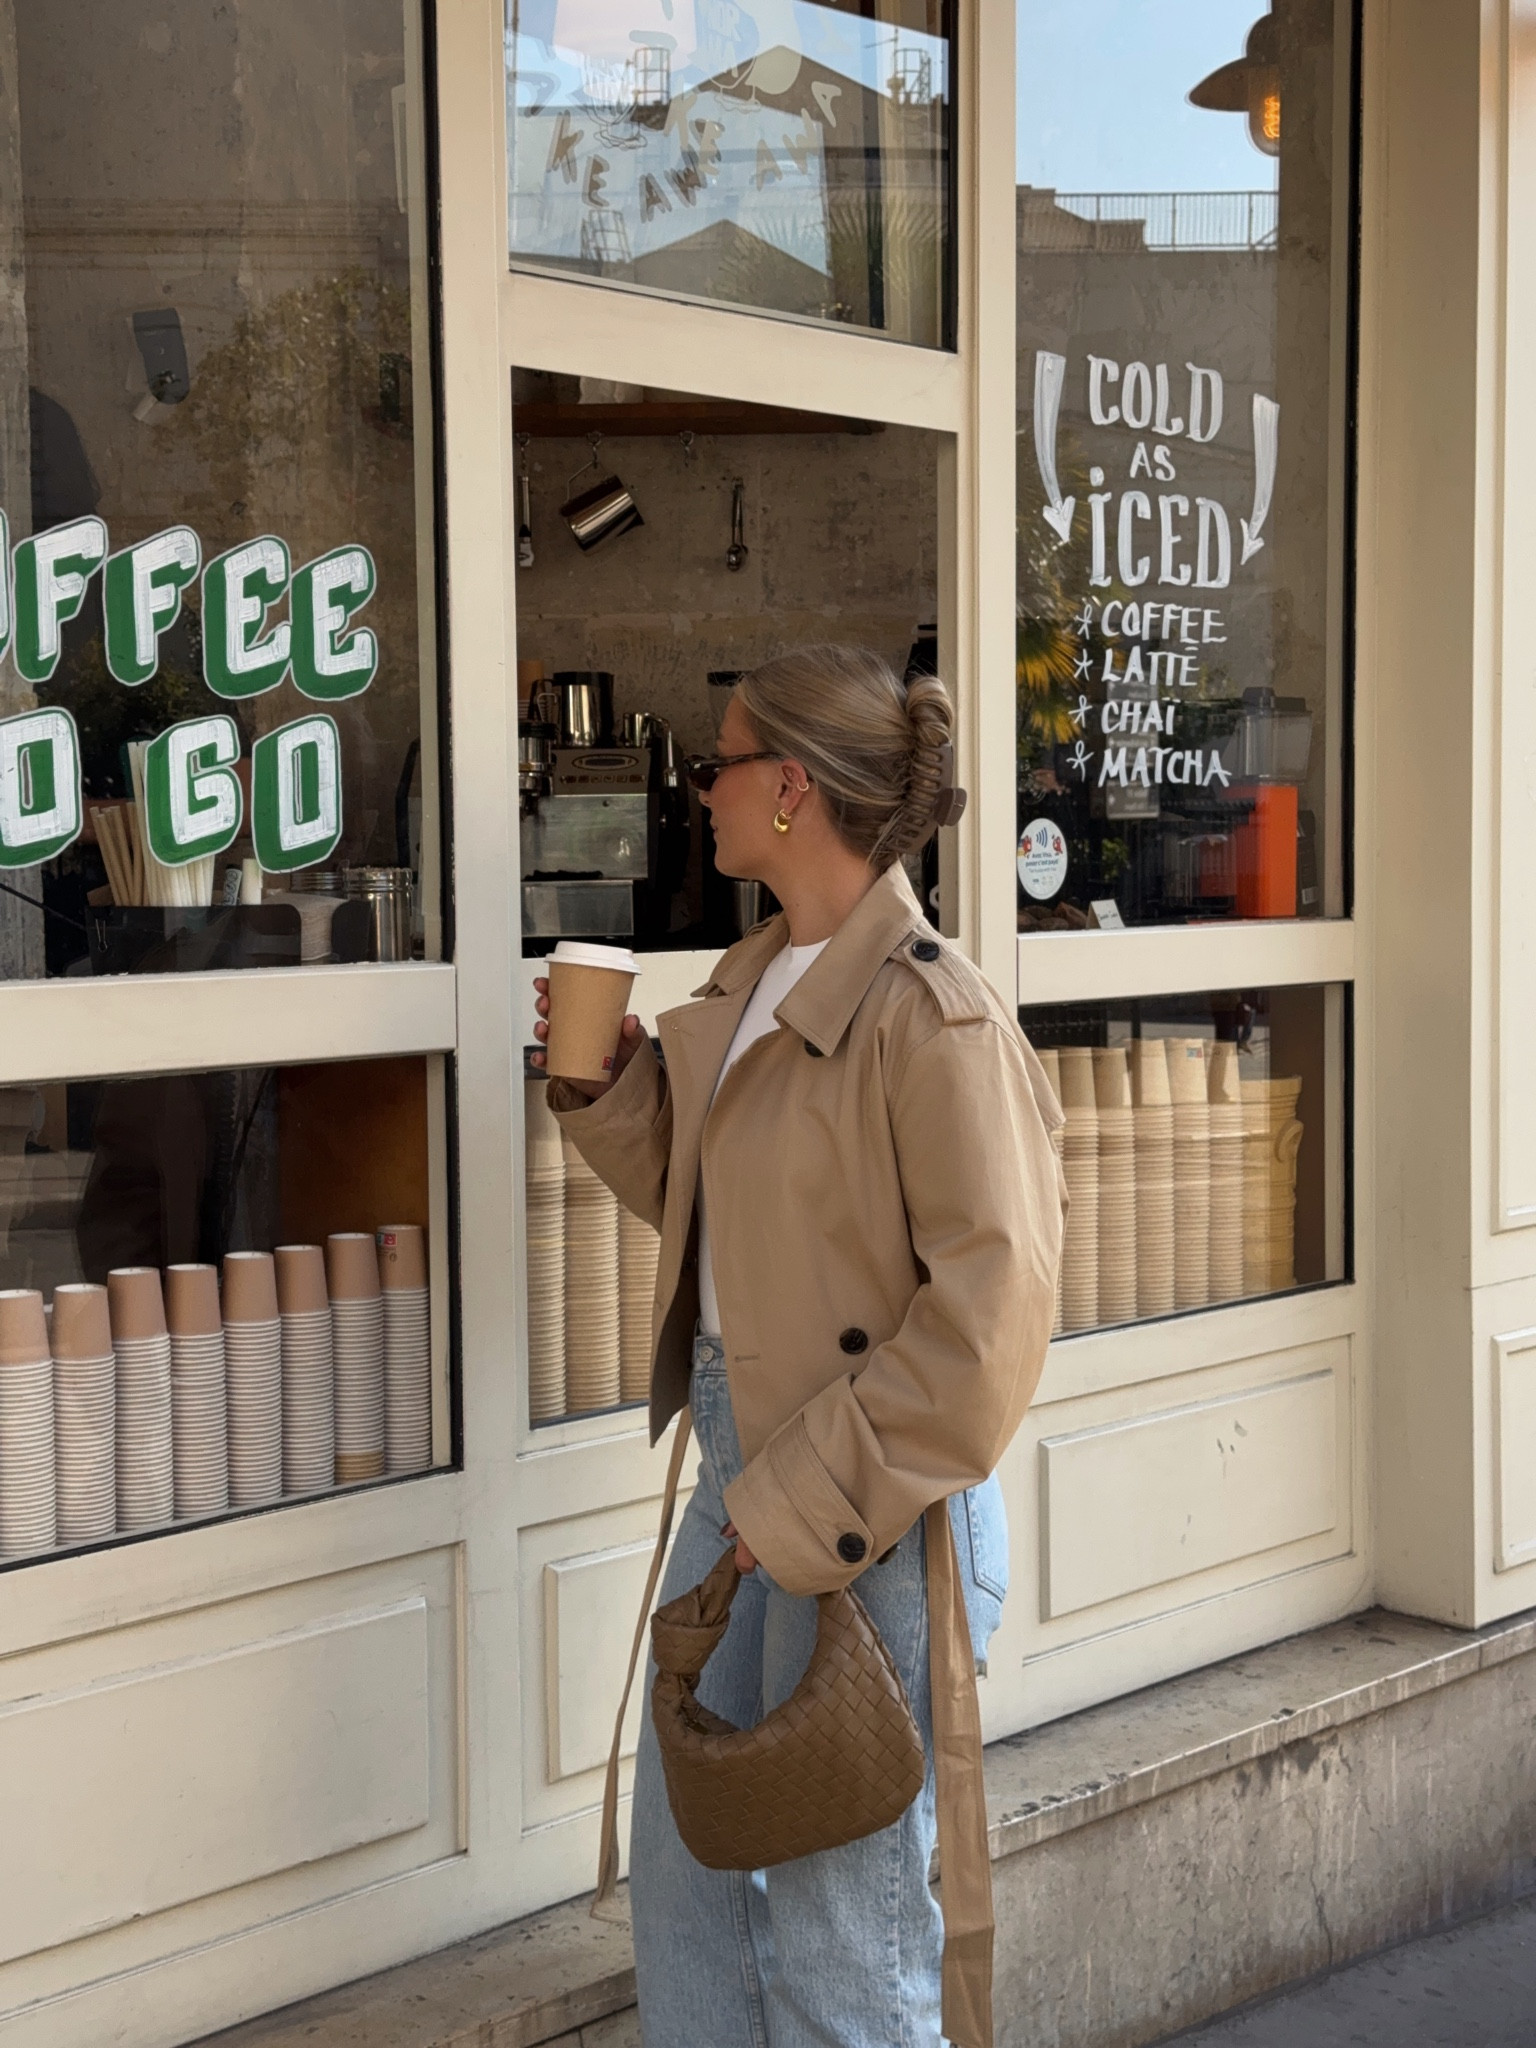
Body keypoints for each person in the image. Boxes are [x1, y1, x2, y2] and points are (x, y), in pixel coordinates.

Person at [534, 644, 1065, 2048]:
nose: (697, 789)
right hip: (741, 1478)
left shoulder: (932, 1013)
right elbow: (732, 1225)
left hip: (865, 1512)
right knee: (695, 1903)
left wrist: (798, 1504)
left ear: (790, 792)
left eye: (720, 762)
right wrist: (604, 1090)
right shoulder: (764, 973)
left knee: (847, 1945)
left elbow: (988, 1323)